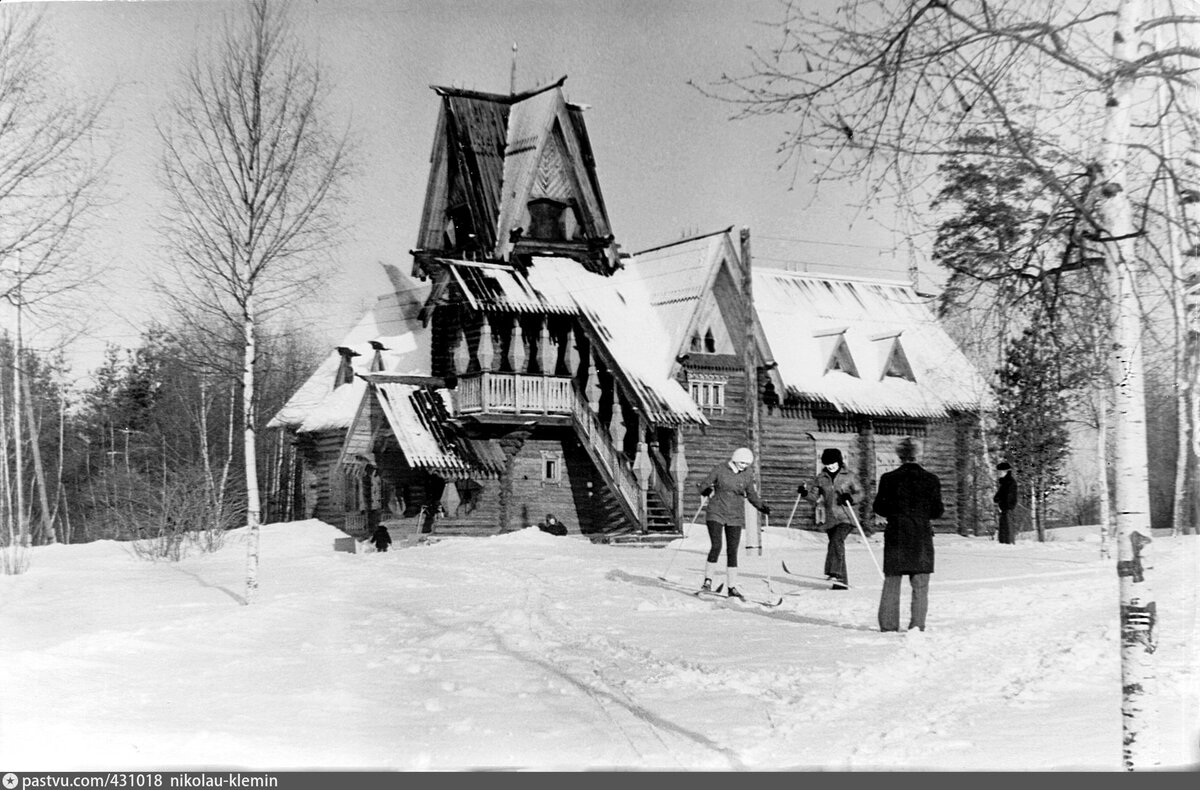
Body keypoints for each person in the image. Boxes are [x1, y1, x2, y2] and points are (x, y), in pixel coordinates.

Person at [872, 438, 944, 632]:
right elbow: (937, 511)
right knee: (920, 584)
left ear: (900, 455)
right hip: (921, 535)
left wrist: (897, 511)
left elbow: (879, 507)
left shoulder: (888, 478)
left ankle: (888, 625)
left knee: (892, 581)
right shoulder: (931, 479)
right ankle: (917, 625)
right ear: (918, 454)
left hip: (897, 534)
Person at [698, 447, 771, 601]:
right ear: (735, 459)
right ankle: (707, 581)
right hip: (716, 512)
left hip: (735, 516)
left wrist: (761, 506)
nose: (743, 466)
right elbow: (704, 484)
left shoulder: (747, 474)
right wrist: (705, 490)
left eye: (747, 464)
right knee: (716, 546)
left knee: (733, 550)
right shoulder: (720, 469)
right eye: (741, 462)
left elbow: (751, 494)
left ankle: (732, 587)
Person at [797, 448, 861, 590]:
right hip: (831, 518)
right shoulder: (821, 478)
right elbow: (814, 498)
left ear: (839, 462)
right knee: (836, 546)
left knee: (836, 540)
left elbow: (860, 493)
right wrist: (805, 493)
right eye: (827, 464)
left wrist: (851, 498)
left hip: (846, 516)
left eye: (833, 463)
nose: (830, 466)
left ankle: (834, 572)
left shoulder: (849, 476)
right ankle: (841, 582)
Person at [993, 461, 1019, 544]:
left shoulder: (1010, 482)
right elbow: (1000, 494)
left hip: (1007, 509)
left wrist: (1006, 506)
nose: (999, 473)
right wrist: (997, 498)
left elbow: (1010, 497)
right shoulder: (1004, 482)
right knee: (1003, 528)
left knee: (1007, 528)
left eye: (1000, 472)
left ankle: (1008, 544)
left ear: (1006, 472)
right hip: (1004, 508)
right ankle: (1004, 543)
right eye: (998, 472)